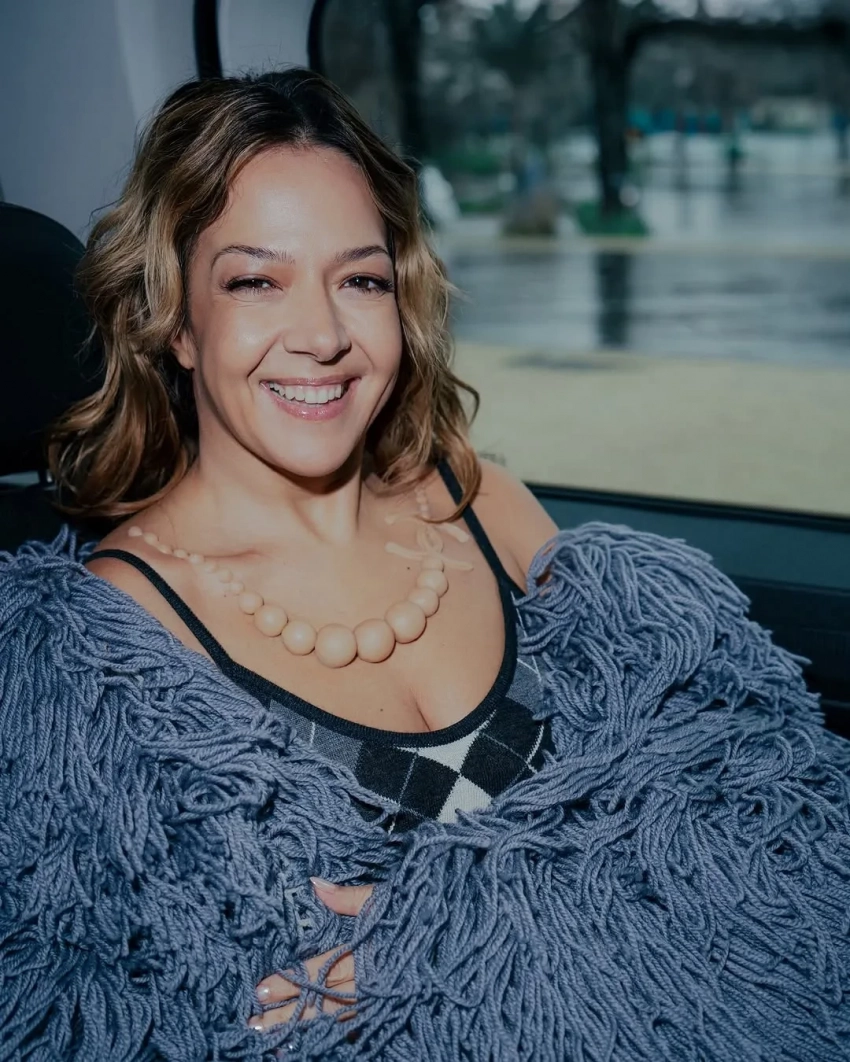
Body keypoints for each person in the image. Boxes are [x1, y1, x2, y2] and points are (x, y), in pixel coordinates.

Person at [1, 69, 849, 1062]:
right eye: (255, 281)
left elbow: (775, 824)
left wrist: (455, 939)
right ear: (177, 323)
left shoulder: (482, 504)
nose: (322, 336)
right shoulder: (101, 652)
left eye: (360, 280)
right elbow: (132, 1015)